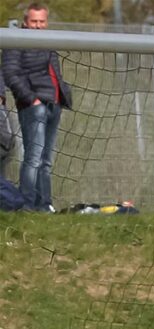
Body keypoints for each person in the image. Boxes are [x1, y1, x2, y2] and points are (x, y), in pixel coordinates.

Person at [0, 3, 73, 212]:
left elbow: (54, 73)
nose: (38, 26)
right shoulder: (15, 42)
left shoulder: (49, 43)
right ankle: (27, 205)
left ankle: (45, 204)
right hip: (34, 106)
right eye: (34, 21)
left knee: (46, 161)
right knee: (33, 158)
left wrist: (62, 95)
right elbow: (11, 74)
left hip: (54, 103)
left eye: (42, 21)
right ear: (25, 22)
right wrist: (32, 100)